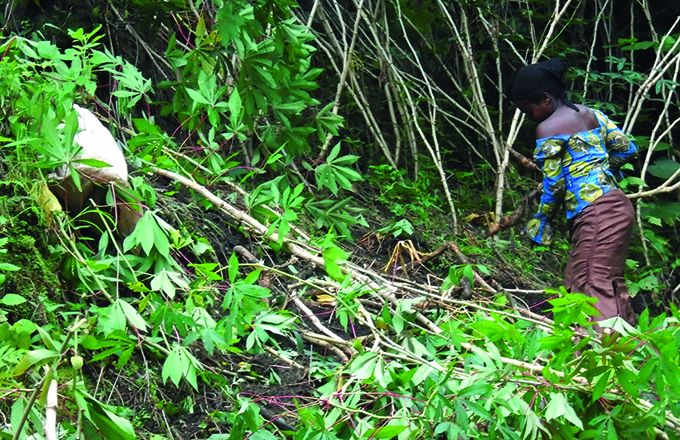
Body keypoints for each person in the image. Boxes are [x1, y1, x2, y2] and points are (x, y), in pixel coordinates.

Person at [510, 58, 638, 325]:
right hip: (618, 205)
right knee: (609, 282)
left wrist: (541, 221)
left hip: (596, 214)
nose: (528, 117)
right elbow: (627, 149)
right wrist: (602, 172)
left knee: (591, 283)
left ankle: (607, 354)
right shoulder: (591, 114)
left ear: (545, 99)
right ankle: (634, 353)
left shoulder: (548, 128)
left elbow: (554, 186)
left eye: (527, 109)